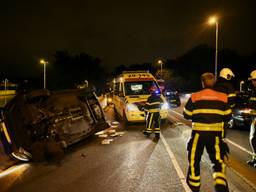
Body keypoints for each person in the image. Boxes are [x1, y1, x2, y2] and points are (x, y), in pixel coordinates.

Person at [183, 72, 232, 192]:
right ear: (214, 82)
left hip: (198, 134)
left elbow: (186, 114)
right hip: (215, 136)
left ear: (202, 82)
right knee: (217, 161)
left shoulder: (195, 96)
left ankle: (194, 186)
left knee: (194, 159)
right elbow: (228, 116)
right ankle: (221, 187)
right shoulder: (222, 97)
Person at [247, 70, 256, 167]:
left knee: (253, 139)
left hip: (255, 119)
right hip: (254, 118)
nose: (253, 82)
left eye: (254, 80)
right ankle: (254, 159)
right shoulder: (253, 91)